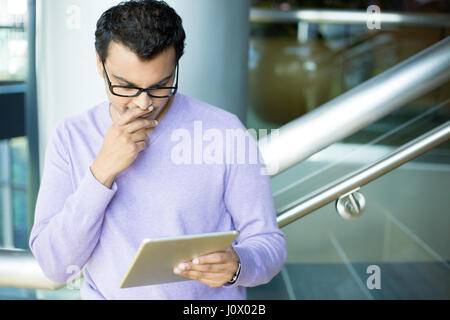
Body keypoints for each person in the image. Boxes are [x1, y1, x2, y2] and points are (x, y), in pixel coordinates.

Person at [29, 0, 286, 300]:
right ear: (100, 65)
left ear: (175, 66)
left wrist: (239, 265)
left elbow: (269, 243)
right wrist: (102, 172)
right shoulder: (70, 137)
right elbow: (54, 266)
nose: (143, 103)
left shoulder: (225, 131)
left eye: (160, 86)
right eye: (125, 87)